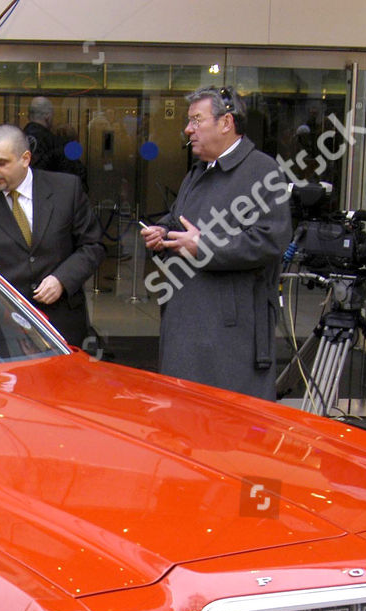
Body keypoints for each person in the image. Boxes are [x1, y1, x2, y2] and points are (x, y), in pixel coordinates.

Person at [141, 86, 290, 398]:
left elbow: (269, 240)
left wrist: (204, 246)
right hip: (187, 322)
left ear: (226, 123)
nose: (188, 129)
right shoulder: (197, 172)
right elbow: (180, 219)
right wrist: (163, 233)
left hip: (228, 337)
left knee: (225, 430)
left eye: (197, 120)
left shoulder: (261, 170)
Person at [0, 123, 104, 342]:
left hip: (61, 324)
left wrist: (62, 279)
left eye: (0, 163)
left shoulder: (66, 190)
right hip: (2, 330)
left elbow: (93, 246)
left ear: (25, 158)